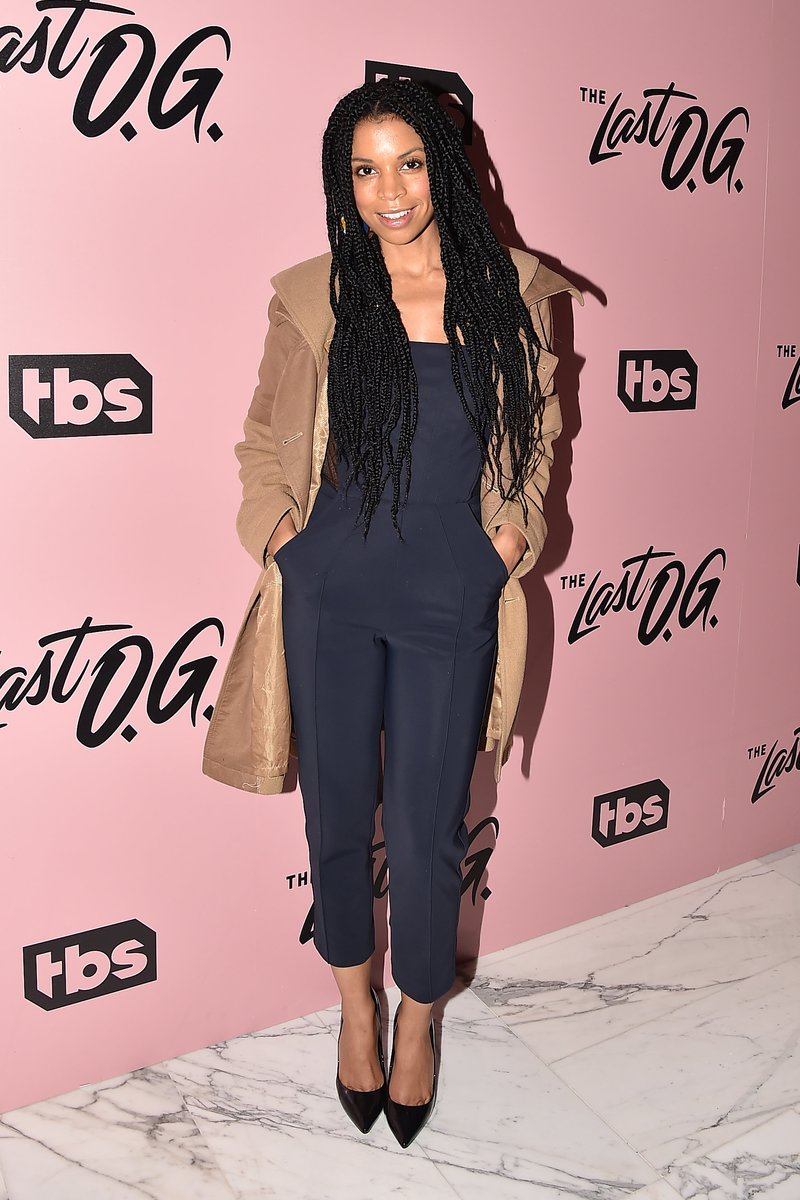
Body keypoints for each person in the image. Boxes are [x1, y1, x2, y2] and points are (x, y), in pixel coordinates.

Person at [202, 76, 582, 1147]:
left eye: (407, 162)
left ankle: (418, 1017)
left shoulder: (509, 289)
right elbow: (264, 440)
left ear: (445, 166)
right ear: (343, 181)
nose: (388, 190)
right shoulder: (314, 293)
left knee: (424, 829)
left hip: (448, 590)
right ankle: (351, 1011)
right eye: (362, 169)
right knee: (334, 818)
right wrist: (284, 539)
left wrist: (507, 539)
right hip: (331, 588)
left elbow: (536, 439)